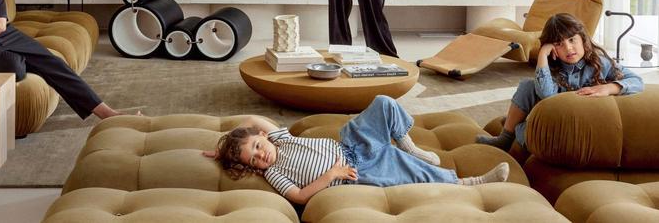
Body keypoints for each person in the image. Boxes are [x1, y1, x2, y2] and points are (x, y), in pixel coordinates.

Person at [204, 95, 509, 206]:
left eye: (258, 146)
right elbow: (298, 197)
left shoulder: (280, 138)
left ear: (263, 136)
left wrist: (225, 145)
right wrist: (333, 174)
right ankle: (474, 183)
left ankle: (409, 145)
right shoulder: (273, 172)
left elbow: (254, 120)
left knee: (383, 103)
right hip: (354, 172)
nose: (261, 155)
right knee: (410, 173)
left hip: (351, 143)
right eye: (253, 159)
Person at [476, 12, 644, 151]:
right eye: (559, 44)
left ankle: (517, 126)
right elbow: (547, 95)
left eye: (572, 40)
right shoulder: (552, 68)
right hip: (553, 115)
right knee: (527, 85)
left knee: (525, 130)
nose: (568, 48)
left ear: (583, 38)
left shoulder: (600, 63)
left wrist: (610, 87)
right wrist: (542, 55)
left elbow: (636, 81)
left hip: (577, 124)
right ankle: (506, 138)